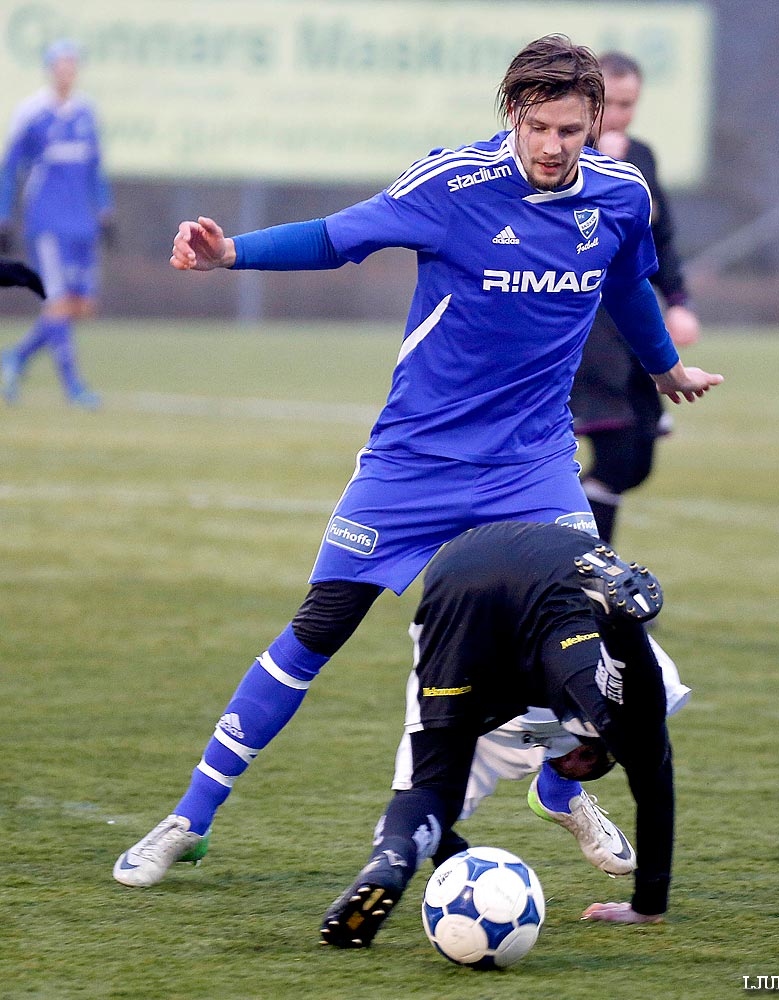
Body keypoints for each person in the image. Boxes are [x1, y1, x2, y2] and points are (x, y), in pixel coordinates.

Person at [113, 34, 721, 890]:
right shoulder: (453, 187)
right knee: (316, 633)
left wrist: (664, 368)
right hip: (414, 462)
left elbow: (627, 285)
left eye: (574, 130)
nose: (556, 147)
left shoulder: (621, 198)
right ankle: (189, 818)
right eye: (541, 126)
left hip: (531, 463)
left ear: (596, 125)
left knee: (595, 630)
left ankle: (557, 786)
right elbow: (336, 238)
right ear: (512, 114)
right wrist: (229, 254)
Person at [320, 520, 677, 948]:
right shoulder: (592, 710)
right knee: (634, 735)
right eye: (584, 762)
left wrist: (452, 859)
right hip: (557, 589)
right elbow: (654, 780)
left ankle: (388, 862)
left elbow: (438, 807)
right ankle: (620, 632)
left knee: (431, 787)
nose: (569, 761)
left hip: (460, 576)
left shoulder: (522, 726)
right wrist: (649, 903)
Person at [401, 625, 690, 878]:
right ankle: (560, 788)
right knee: (423, 794)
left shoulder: (648, 680)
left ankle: (559, 789)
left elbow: (655, 771)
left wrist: (649, 902)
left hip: (529, 671)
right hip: (490, 653)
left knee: (420, 800)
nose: (569, 753)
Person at [569, 51, 701, 544]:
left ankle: (581, 572)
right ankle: (584, 586)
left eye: (630, 105)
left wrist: (679, 300)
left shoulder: (640, 157)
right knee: (617, 449)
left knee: (636, 458)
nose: (621, 116)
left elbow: (659, 237)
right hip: (583, 324)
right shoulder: (561, 156)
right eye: (612, 103)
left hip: (633, 323)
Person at [0, 39, 113, 409]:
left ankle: (15, 357)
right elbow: (10, 169)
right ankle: (73, 387)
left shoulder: (85, 114)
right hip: (47, 223)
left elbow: (96, 168)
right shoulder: (32, 114)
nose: (66, 71)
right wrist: (4, 216)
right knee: (58, 302)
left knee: (80, 306)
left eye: (71, 65)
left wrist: (105, 211)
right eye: (60, 65)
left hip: (82, 224)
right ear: (51, 70)